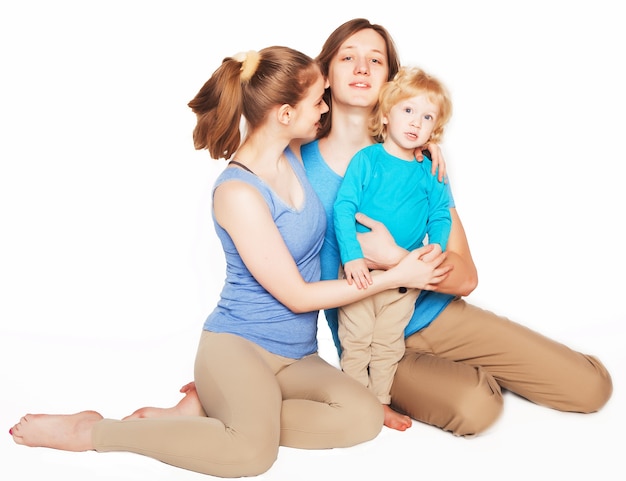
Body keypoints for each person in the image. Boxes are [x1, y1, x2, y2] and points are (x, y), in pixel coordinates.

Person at [105, 17, 612, 440]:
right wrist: (231, 374)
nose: (363, 67)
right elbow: (252, 157)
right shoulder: (290, 158)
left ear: (392, 79)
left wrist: (395, 257)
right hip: (365, 341)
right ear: (324, 74)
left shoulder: (421, 161)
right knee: (477, 409)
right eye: (348, 56)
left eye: (377, 58)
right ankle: (238, 405)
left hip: (437, 314)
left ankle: (508, 369)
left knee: (591, 389)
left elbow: (465, 278)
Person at [9, 45, 453, 477]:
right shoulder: (238, 192)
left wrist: (419, 152)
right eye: (318, 101)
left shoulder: (294, 153)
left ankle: (218, 409)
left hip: (297, 356)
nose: (325, 109)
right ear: (284, 115)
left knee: (362, 417)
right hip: (239, 347)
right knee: (251, 455)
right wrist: (397, 274)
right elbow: (298, 297)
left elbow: (368, 152)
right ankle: (95, 431)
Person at [333, 66, 453, 431]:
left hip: (404, 279)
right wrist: (352, 255)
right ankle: (355, 404)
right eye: (407, 110)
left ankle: (380, 403)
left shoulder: (429, 171)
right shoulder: (367, 161)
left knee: (387, 344)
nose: (416, 122)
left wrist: (436, 250)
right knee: (356, 342)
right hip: (361, 273)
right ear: (386, 115)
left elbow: (440, 217)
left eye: (427, 116)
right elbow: (343, 208)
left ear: (435, 130)